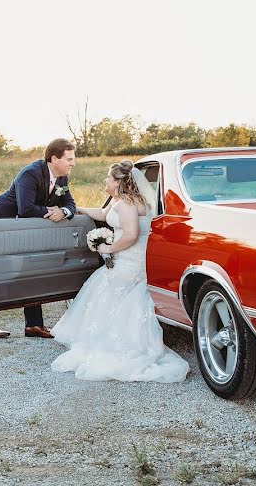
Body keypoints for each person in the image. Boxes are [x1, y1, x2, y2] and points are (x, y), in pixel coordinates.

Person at [50, 160, 189, 382]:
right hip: (135, 258)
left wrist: (108, 248)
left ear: (117, 182)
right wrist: (80, 209)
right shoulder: (126, 201)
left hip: (131, 260)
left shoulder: (126, 204)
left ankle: (108, 340)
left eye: (108, 177)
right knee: (104, 285)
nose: (105, 180)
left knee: (104, 285)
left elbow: (131, 234)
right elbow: (105, 214)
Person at [0, 138, 77, 338]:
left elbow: (70, 203)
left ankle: (33, 325)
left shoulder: (62, 178)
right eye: (69, 159)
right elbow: (26, 208)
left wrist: (63, 212)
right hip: (0, 222)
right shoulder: (30, 173)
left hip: (28, 228)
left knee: (32, 268)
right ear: (54, 158)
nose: (73, 163)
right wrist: (51, 210)